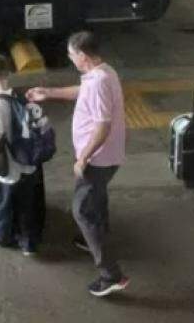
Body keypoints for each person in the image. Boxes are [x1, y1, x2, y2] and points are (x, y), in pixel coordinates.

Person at [28, 31, 128, 298]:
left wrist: (83, 158)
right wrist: (47, 93)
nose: (71, 59)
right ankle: (94, 236)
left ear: (82, 56)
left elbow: (103, 125)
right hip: (106, 157)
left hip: (98, 159)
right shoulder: (103, 72)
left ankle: (111, 274)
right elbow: (82, 92)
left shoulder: (98, 83)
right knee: (96, 197)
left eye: (72, 56)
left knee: (82, 210)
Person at [0, 54, 46, 257]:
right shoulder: (21, 96)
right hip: (30, 161)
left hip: (9, 165)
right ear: (8, 73)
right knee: (28, 204)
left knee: (5, 203)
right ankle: (29, 243)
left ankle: (1, 235)